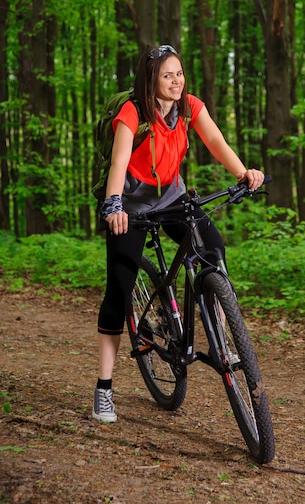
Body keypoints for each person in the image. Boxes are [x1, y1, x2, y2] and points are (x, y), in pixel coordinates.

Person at [92, 44, 264, 422]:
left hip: (172, 196)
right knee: (119, 289)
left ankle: (222, 329)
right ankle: (104, 388)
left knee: (212, 248)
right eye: (167, 75)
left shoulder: (188, 106)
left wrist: (242, 173)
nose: (176, 81)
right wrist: (114, 206)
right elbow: (119, 163)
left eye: (180, 73)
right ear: (150, 79)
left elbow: (216, 142)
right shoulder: (132, 112)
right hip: (133, 205)